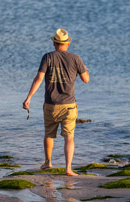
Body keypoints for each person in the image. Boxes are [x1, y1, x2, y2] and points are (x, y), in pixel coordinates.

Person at [23, 28, 89, 176]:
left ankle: (48, 163)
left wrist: (29, 97)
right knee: (69, 137)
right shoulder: (76, 58)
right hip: (69, 105)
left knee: (48, 135)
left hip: (51, 104)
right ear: (68, 43)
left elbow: (39, 79)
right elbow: (86, 80)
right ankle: (68, 169)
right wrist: (84, 69)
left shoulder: (47, 57)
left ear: (54, 43)